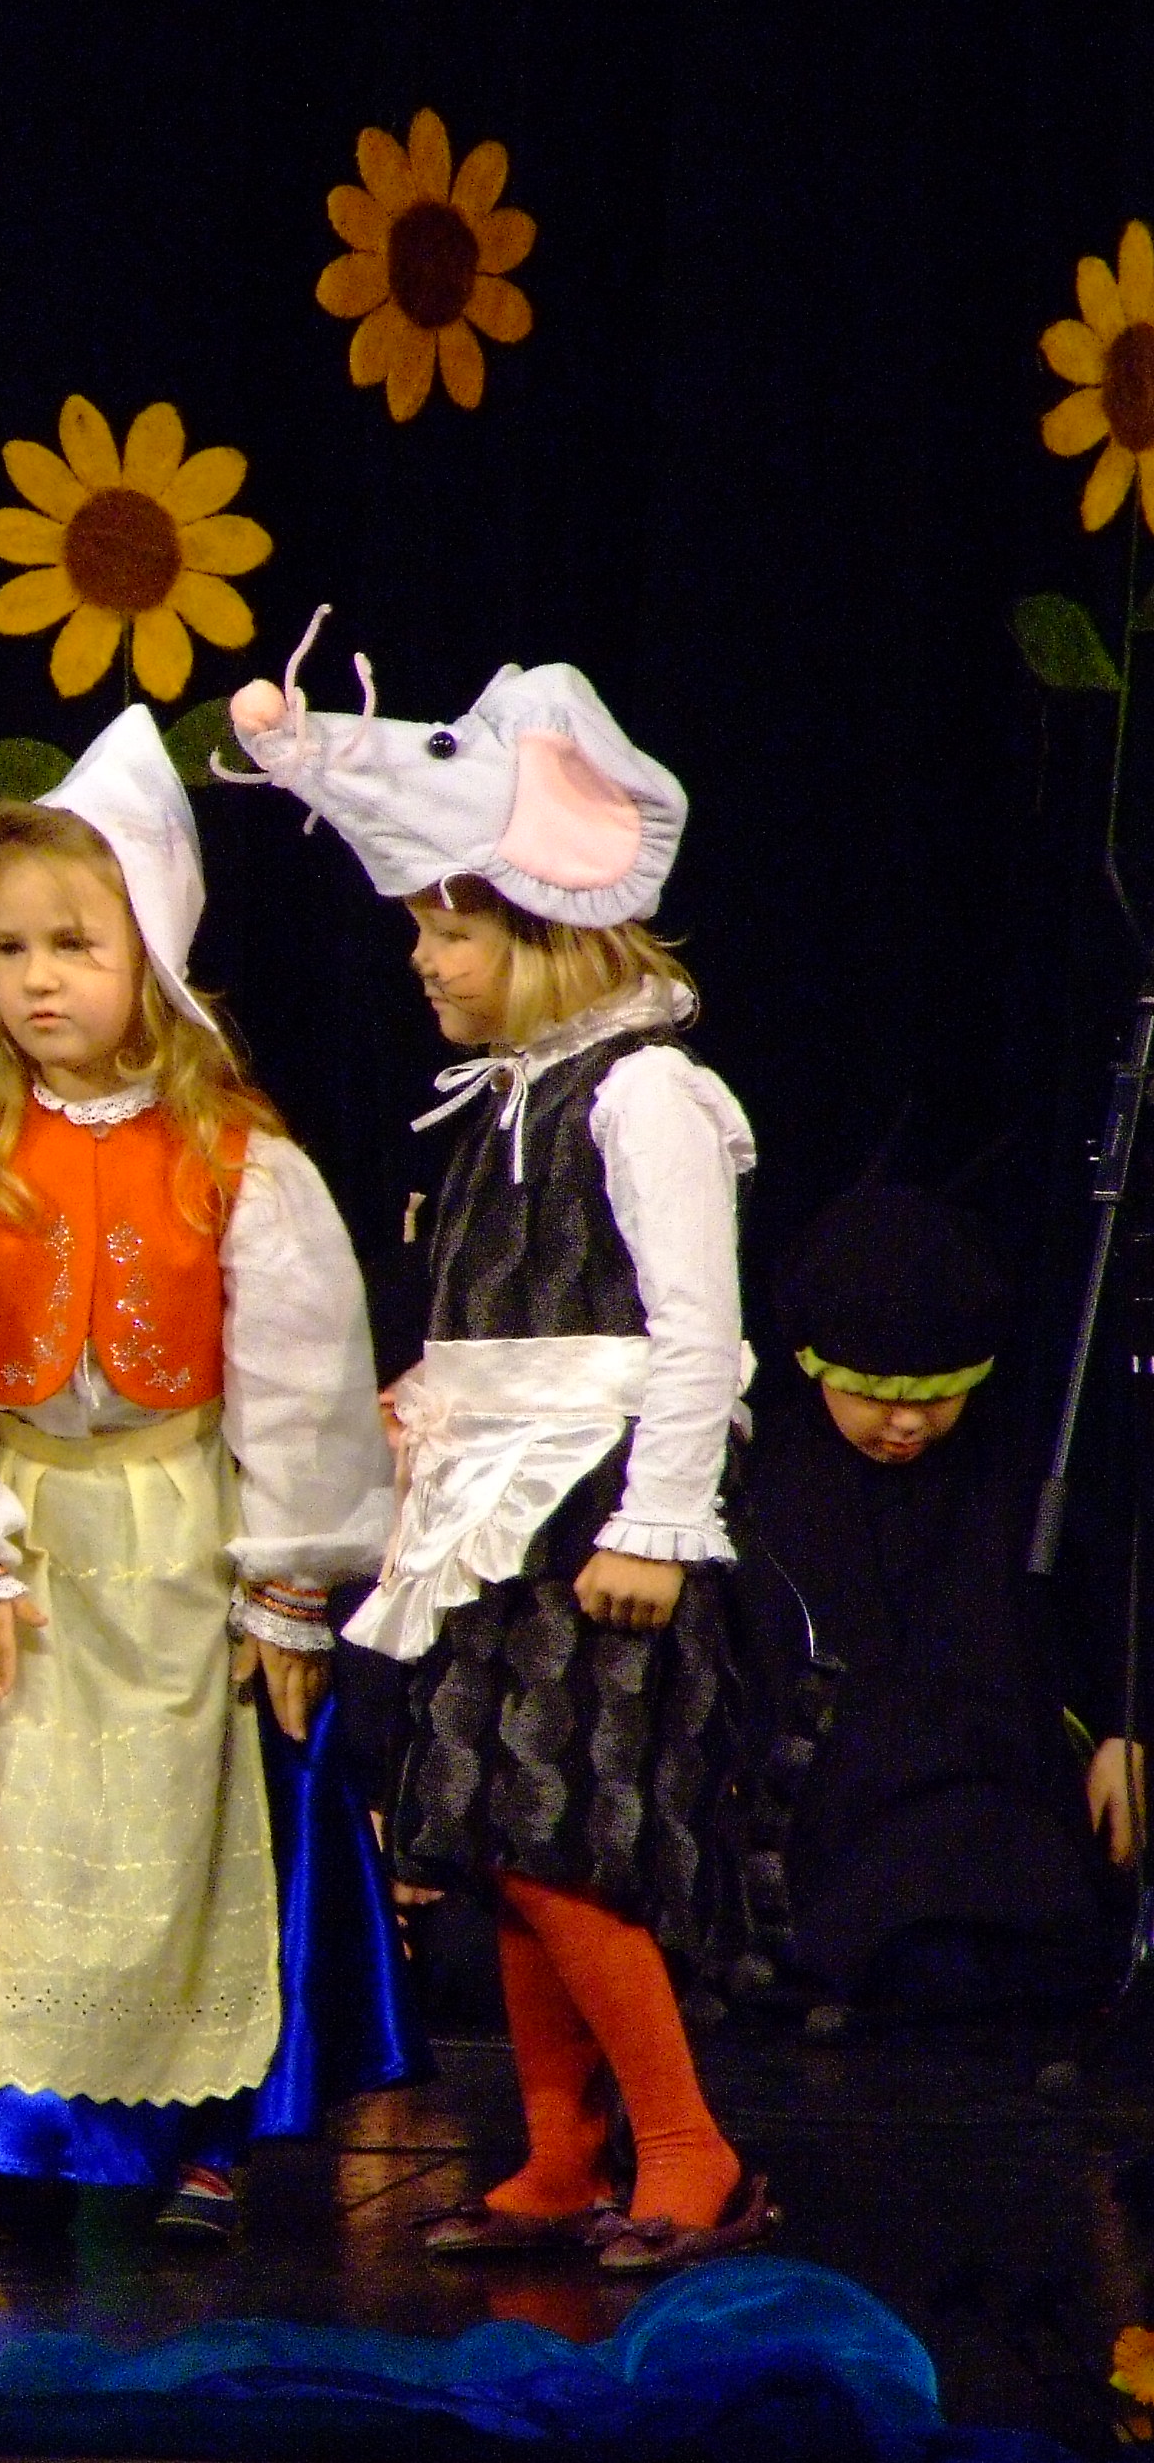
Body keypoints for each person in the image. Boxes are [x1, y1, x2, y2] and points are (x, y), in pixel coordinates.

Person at [230, 613, 775, 2275]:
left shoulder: (642, 1093)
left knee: (564, 1842)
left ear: (547, 925)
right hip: (489, 1522)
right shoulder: (503, 1097)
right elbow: (489, 1327)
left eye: (446, 929)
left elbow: (696, 1332)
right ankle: (555, 2155)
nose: (422, 959)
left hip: (592, 1519)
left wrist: (655, 1524)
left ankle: (691, 2152)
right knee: (494, 1837)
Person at [0, 711, 402, 2250]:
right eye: (13, 948)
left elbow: (301, 1374)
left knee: (178, 1830)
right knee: (23, 1833)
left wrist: (289, 1580)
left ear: (153, 953)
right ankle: (25, 2132)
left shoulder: (236, 1158)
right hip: (30, 1522)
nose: (40, 979)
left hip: (179, 1530)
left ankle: (196, 2136)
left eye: (76, 945)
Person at [743, 1185, 1122, 2023]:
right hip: (833, 1822)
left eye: (937, 1396)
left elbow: (1102, 1614)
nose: (908, 1423)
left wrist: (1126, 1731)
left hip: (999, 1804)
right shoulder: (764, 1481)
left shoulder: (1022, 1475)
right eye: (878, 1395)